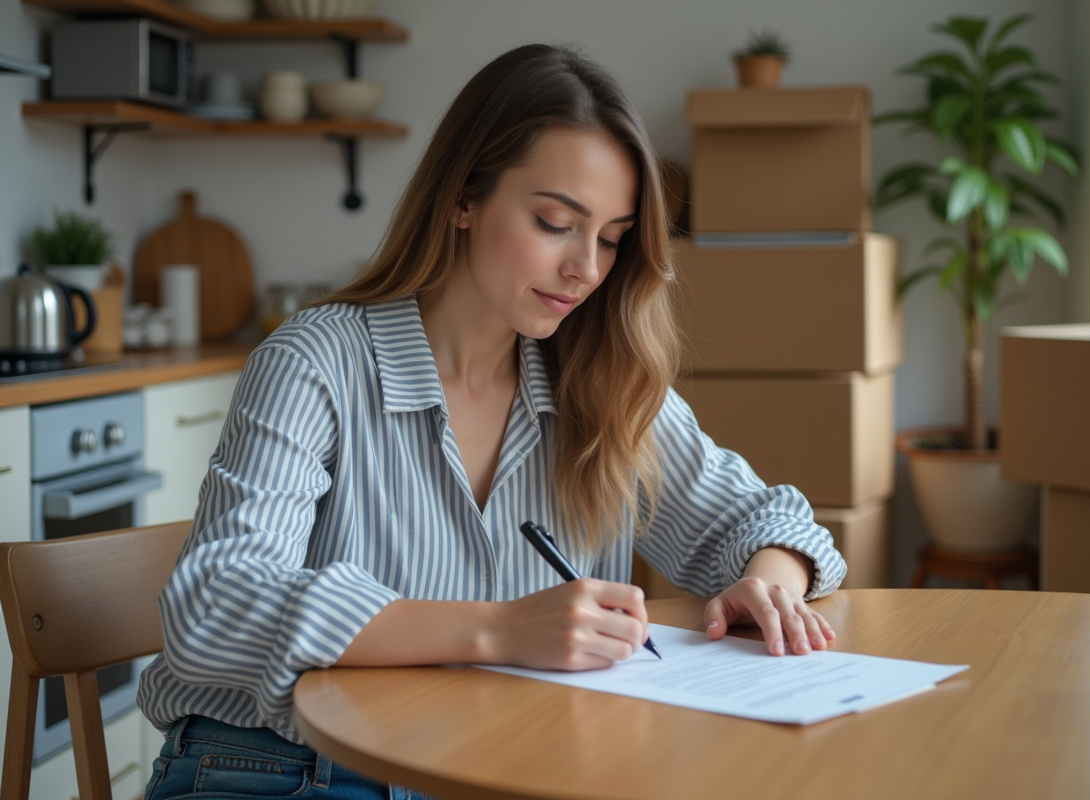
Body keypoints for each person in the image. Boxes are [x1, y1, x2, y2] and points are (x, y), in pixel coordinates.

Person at [138, 43, 847, 800]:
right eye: (554, 222)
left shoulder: (598, 380)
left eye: (611, 238)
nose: (588, 269)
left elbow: (769, 520)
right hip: (278, 769)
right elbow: (213, 603)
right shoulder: (319, 362)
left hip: (497, 769)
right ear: (463, 199)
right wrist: (498, 630)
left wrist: (768, 584)